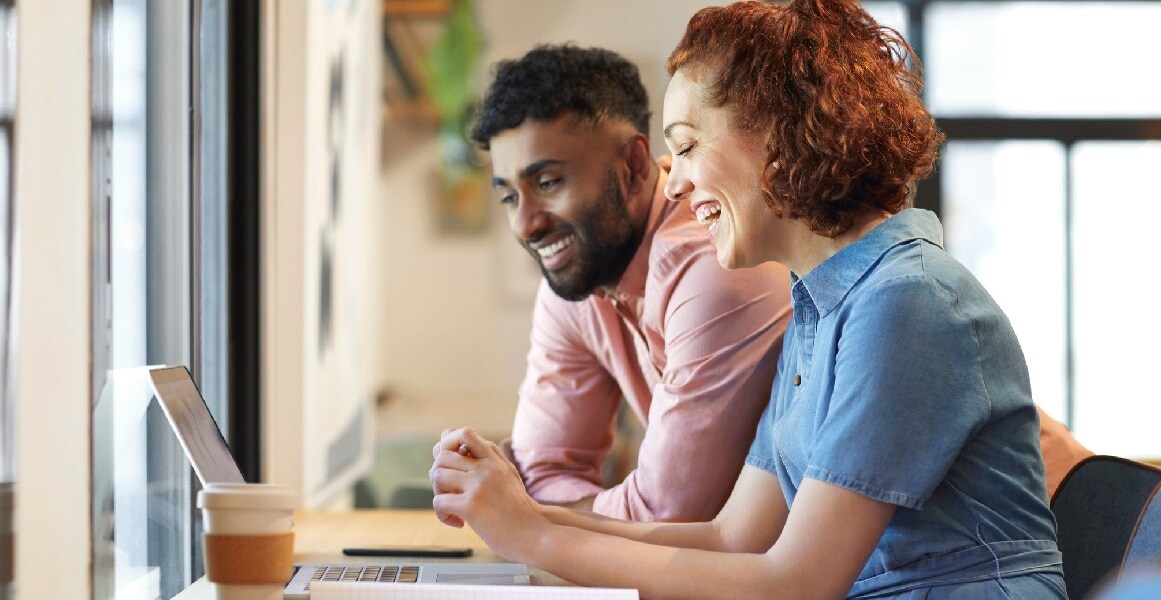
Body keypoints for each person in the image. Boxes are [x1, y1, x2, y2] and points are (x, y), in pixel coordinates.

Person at [429, 1, 1068, 597]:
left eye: (685, 146)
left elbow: (796, 582)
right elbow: (731, 536)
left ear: (778, 137)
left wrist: (534, 536)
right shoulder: (823, 310)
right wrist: (522, 511)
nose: (672, 183)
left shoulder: (907, 302)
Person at [468, 44, 793, 522]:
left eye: (549, 182)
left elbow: (668, 515)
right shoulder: (579, 279)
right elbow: (543, 470)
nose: (526, 224)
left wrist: (535, 517)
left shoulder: (718, 264)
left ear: (635, 165)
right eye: (510, 197)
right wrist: (536, 508)